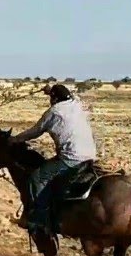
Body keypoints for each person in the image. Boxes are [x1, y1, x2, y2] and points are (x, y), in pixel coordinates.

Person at [11, 83, 97, 234]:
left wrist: (15, 139)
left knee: (37, 178)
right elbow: (68, 95)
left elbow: (36, 131)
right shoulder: (75, 104)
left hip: (71, 158)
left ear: (54, 98)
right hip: (90, 154)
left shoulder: (53, 112)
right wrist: (51, 90)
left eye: (51, 97)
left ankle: (39, 221)